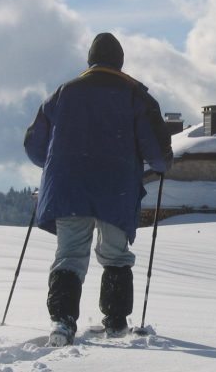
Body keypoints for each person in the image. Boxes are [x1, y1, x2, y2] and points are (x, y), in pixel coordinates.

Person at [24, 33, 172, 347]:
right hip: (115, 188)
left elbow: (35, 146)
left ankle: (62, 322)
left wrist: (57, 166)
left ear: (91, 61)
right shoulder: (136, 96)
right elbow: (157, 152)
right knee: (116, 254)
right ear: (120, 62)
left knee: (69, 255)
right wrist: (161, 163)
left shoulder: (63, 93)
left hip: (68, 186)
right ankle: (116, 322)